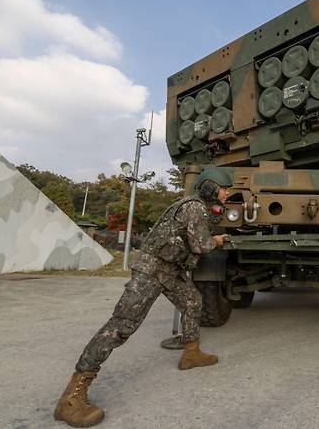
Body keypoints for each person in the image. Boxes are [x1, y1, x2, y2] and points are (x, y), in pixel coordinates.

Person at [54, 168, 233, 427]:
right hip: (152, 268)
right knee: (121, 326)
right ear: (210, 188)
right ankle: (71, 396)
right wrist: (217, 240)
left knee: (193, 301)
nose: (227, 194)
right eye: (225, 189)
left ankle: (191, 353)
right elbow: (200, 246)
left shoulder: (196, 207)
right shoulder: (195, 207)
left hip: (169, 269)